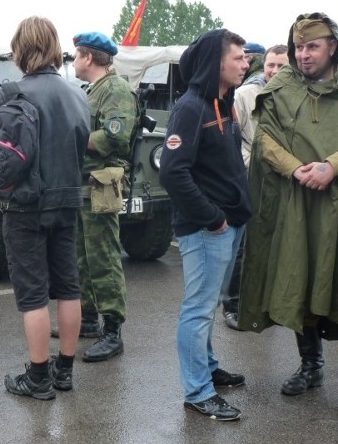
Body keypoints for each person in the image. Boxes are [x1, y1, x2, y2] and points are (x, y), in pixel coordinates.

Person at [239, 12, 338, 417]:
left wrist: (331, 167)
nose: (303, 55)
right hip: (297, 199)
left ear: (332, 48)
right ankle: (311, 366)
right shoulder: (282, 85)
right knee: (299, 276)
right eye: (298, 47)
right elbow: (265, 138)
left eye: (312, 47)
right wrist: (294, 168)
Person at [0, 16, 89, 400]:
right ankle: (64, 371)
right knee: (69, 287)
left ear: (20, 48)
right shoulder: (78, 94)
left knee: (33, 294)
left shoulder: (10, 93)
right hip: (68, 201)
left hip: (25, 204)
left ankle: (37, 377)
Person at [159, 29, 251, 421]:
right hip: (205, 229)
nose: (246, 63)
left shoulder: (223, 102)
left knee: (209, 304)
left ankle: (209, 368)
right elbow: (173, 173)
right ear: (217, 62)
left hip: (227, 225)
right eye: (239, 57)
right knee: (198, 308)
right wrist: (213, 219)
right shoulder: (191, 108)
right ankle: (198, 391)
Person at [70, 31, 139, 362]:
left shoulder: (115, 89)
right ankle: (87, 319)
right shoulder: (92, 90)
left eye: (76, 56)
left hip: (101, 182)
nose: (73, 62)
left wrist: (69, 133)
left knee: (103, 257)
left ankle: (113, 331)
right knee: (83, 255)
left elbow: (114, 136)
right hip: (85, 183)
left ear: (88, 58)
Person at [222, 44, 288, 331]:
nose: (273, 71)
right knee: (243, 246)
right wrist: (259, 164)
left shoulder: (295, 98)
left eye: (281, 66)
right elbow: (232, 140)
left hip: (284, 182)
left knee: (277, 244)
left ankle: (267, 304)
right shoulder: (246, 95)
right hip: (251, 178)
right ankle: (233, 304)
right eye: (270, 65)